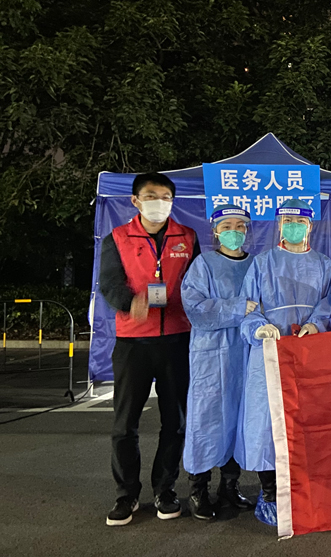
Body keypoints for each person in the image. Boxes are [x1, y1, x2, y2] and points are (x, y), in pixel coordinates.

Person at [99, 172, 199, 526]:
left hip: (177, 339)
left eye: (166, 197)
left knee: (176, 422)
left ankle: (164, 489)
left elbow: (197, 283)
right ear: (136, 201)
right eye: (152, 195)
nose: (159, 202)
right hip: (133, 342)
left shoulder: (187, 237)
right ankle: (126, 494)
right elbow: (109, 283)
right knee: (125, 424)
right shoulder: (117, 237)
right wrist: (130, 303)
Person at [238, 199, 331, 526]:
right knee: (267, 422)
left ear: (310, 226)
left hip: (310, 354)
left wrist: (317, 324)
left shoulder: (324, 265)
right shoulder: (263, 263)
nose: (294, 226)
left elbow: (330, 305)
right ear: (280, 224)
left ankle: (308, 490)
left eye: (300, 221)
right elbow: (249, 306)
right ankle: (270, 493)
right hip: (270, 353)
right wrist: (259, 327)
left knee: (310, 422)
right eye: (288, 221)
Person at [180, 205, 257, 521]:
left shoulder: (255, 265)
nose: (234, 231)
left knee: (238, 420)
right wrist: (238, 307)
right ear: (215, 231)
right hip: (211, 357)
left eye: (240, 225)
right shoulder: (204, 264)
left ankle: (230, 486)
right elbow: (195, 308)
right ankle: (198, 489)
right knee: (206, 419)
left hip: (246, 355)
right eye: (227, 226)